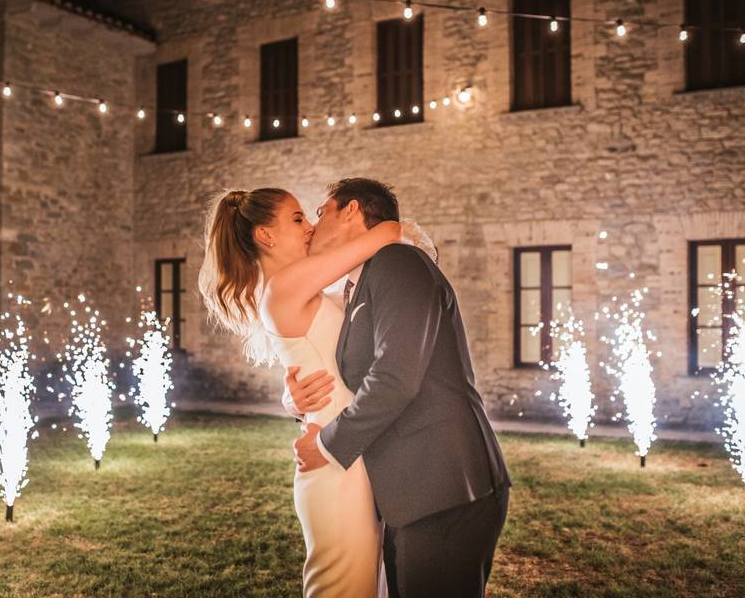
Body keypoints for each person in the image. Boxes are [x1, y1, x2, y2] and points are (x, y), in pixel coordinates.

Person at [290, 178, 511, 598]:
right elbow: (351, 373)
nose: (314, 227)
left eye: (321, 212)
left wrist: (327, 445)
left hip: (444, 488)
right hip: (412, 494)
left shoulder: (398, 261)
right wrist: (297, 399)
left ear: (352, 210)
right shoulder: (362, 282)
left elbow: (395, 375)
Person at [199, 187, 403, 597]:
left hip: (351, 452)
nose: (310, 227)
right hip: (333, 463)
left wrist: (289, 399)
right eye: (297, 219)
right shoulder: (284, 287)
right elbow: (388, 233)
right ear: (266, 236)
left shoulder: (302, 288)